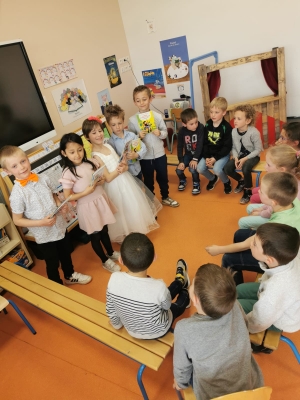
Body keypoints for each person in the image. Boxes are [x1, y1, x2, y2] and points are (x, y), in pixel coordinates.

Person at [0, 145, 92, 285]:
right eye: (14, 166)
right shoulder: (17, 195)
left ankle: (69, 274)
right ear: (7, 171)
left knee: (66, 253)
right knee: (52, 262)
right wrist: (40, 223)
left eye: (23, 161)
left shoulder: (43, 178)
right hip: (44, 235)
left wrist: (59, 205)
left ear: (27, 159)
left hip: (59, 226)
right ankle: (56, 284)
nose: (22, 167)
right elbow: (17, 220)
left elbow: (54, 195)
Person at [173, 263, 263, 400]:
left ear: (195, 299)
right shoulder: (234, 305)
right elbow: (244, 324)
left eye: (192, 285)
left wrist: (180, 383)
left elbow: (181, 367)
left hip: (210, 396)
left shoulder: (184, 329)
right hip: (251, 391)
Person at [206, 172, 300, 285]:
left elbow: (245, 244)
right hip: (284, 246)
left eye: (262, 191)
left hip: (281, 263)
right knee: (239, 234)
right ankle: (240, 267)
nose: (259, 191)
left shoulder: (276, 225)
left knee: (228, 259)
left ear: (273, 202)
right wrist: (261, 210)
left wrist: (218, 249)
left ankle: (235, 294)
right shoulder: (292, 200)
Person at [82, 116, 162, 243]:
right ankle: (127, 235)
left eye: (100, 131)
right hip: (114, 186)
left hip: (125, 179)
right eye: (94, 133)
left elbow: (118, 160)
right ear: (87, 137)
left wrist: (124, 165)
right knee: (122, 211)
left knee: (132, 206)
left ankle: (136, 231)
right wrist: (120, 170)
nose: (98, 135)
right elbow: (107, 178)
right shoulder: (95, 155)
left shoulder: (107, 145)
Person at [106, 233, 190, 339]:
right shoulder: (158, 286)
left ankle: (180, 282)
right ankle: (184, 290)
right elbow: (166, 306)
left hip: (132, 331)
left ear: (120, 260)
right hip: (160, 330)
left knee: (161, 295)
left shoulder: (113, 279)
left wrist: (117, 325)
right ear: (154, 257)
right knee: (175, 305)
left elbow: (111, 308)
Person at [59, 133, 121, 273]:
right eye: (72, 152)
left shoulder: (91, 162)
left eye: (80, 150)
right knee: (95, 235)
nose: (77, 155)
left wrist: (100, 181)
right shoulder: (67, 173)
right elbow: (68, 197)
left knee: (104, 230)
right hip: (87, 207)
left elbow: (101, 179)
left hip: (100, 200)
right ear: (64, 153)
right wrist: (85, 192)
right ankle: (105, 261)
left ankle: (110, 252)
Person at [237, 223, 300, 353]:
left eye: (254, 244)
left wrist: (248, 328)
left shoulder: (276, 288)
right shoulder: (290, 252)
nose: (250, 244)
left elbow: (260, 321)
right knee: (238, 290)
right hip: (278, 298)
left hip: (282, 319)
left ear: (269, 259)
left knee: (235, 308)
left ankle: (260, 346)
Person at [128, 85, 179, 207]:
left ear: (150, 99)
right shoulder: (132, 120)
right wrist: (138, 136)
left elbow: (165, 133)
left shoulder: (157, 116)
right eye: (138, 100)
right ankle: (151, 201)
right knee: (148, 180)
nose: (141, 103)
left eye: (144, 99)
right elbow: (130, 139)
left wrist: (159, 133)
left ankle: (165, 197)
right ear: (134, 102)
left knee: (163, 177)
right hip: (144, 157)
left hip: (160, 153)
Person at [239, 145, 300, 229]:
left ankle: (255, 235)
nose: (265, 167)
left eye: (268, 165)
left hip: (280, 220)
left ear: (282, 169)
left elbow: (276, 209)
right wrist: (262, 208)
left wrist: (260, 213)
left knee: (242, 222)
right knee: (250, 207)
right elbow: (273, 204)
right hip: (275, 209)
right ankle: (257, 227)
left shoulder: (285, 186)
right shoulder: (282, 178)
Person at [224, 104, 263, 204]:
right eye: (234, 118)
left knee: (245, 168)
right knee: (227, 168)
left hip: (253, 156)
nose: (235, 121)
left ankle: (248, 189)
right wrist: (236, 157)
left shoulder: (254, 132)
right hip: (240, 155)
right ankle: (241, 181)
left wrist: (245, 159)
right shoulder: (233, 131)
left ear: (247, 121)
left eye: (239, 118)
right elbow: (233, 147)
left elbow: (258, 149)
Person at [197, 97, 233, 194]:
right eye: (211, 112)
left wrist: (215, 158)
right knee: (199, 168)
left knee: (217, 169)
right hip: (209, 154)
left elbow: (227, 147)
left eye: (216, 112)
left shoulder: (227, 127)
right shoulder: (208, 124)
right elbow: (205, 142)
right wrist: (207, 157)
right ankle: (213, 178)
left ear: (224, 112)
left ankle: (226, 181)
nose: (213, 115)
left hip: (222, 154)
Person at [106, 104, 147, 181]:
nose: (117, 127)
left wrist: (136, 154)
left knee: (141, 189)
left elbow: (143, 147)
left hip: (137, 170)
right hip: (126, 175)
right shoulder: (111, 142)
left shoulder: (131, 135)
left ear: (123, 122)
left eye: (119, 123)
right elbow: (114, 160)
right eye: (113, 125)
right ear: (109, 125)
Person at [175, 108, 204, 195]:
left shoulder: (201, 127)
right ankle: (183, 180)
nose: (195, 125)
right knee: (178, 170)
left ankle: (196, 183)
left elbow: (200, 145)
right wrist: (181, 161)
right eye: (191, 124)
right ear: (184, 124)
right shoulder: (182, 131)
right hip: (188, 155)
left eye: (196, 122)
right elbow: (179, 147)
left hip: (198, 155)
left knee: (192, 168)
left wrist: (195, 159)